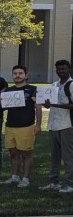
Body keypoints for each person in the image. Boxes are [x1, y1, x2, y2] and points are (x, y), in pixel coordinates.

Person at [0, 65, 41, 188]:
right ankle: (14, 177)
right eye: (15, 73)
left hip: (26, 126)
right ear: (12, 75)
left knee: (26, 154)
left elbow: (38, 107)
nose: (17, 75)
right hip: (10, 125)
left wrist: (38, 125)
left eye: (20, 73)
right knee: (13, 153)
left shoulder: (33, 89)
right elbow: (4, 107)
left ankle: (26, 178)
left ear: (26, 75)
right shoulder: (8, 91)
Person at [41, 59, 73, 193]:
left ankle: (69, 184)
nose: (61, 71)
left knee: (68, 157)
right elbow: (48, 101)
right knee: (54, 156)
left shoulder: (71, 85)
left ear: (69, 69)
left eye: (63, 69)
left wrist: (53, 105)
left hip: (67, 126)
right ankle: (53, 181)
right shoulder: (54, 85)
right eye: (59, 69)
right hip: (53, 125)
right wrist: (45, 103)